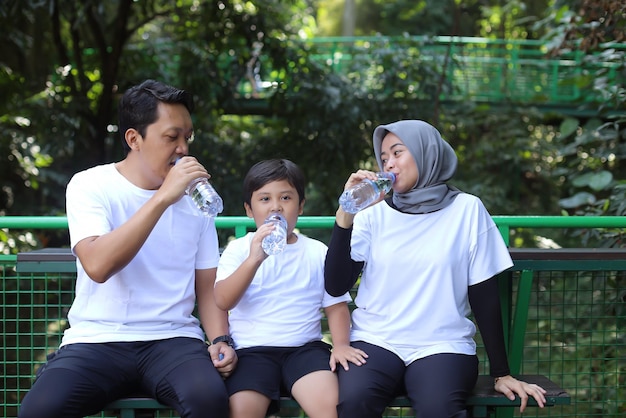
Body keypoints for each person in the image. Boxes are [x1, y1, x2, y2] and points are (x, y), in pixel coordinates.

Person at [18, 80, 235, 418]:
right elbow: (98, 265)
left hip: (172, 339)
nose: (183, 149)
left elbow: (206, 287)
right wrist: (163, 199)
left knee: (210, 401)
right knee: (39, 411)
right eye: (171, 137)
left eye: (187, 138)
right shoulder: (90, 185)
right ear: (134, 139)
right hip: (96, 338)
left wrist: (222, 339)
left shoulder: (197, 200)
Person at [324, 119, 547, 418]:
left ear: (425, 152)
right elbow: (336, 285)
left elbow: (484, 295)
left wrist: (502, 372)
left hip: (443, 344)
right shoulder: (372, 213)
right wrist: (345, 214)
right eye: (384, 157)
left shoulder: (467, 210)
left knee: (439, 409)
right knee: (354, 403)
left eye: (397, 152)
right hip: (376, 340)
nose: (389, 163)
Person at [213, 159, 361, 418]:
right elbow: (223, 300)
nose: (276, 207)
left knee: (330, 406)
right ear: (249, 209)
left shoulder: (316, 251)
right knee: (240, 410)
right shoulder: (239, 249)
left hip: (304, 349)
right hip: (251, 351)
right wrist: (254, 259)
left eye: (285, 198)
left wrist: (340, 345)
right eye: (264, 199)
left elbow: (336, 306)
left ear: (300, 206)